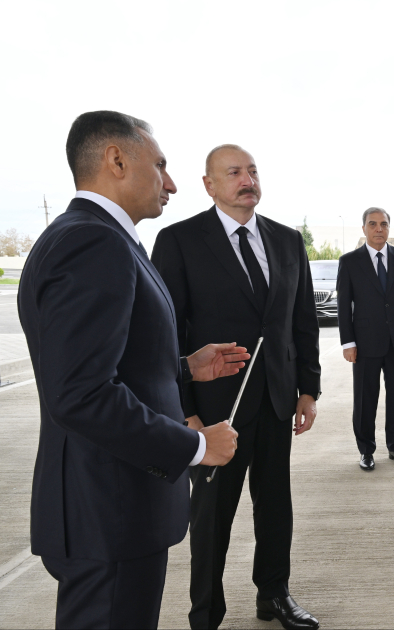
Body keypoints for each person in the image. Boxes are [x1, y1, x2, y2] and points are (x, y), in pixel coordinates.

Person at [18, 111, 243, 630]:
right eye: (160, 165)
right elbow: (80, 393)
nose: (172, 183)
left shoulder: (95, 237)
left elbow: (100, 362)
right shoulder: (91, 243)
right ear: (117, 160)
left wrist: (184, 368)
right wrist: (196, 446)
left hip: (111, 509)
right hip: (110, 512)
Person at [151, 144, 322, 630]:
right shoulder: (179, 240)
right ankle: (205, 614)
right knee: (211, 522)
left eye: (252, 170)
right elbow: (166, 335)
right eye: (233, 172)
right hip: (212, 414)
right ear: (209, 184)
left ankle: (274, 595)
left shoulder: (288, 241)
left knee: (275, 508)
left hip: (276, 401)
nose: (247, 179)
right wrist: (186, 416)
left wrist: (308, 389)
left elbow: (301, 321)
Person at [337, 208, 394, 471]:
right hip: (364, 344)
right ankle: (366, 451)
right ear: (363, 228)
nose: (378, 229)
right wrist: (347, 342)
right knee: (365, 399)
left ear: (389, 228)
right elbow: (344, 306)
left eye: (383, 224)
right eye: (373, 224)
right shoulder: (350, 261)